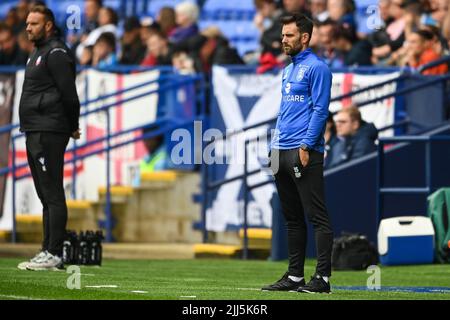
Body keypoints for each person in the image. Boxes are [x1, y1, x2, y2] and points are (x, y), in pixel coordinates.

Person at [263, 13, 333, 294]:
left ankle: (323, 279)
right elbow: (286, 111)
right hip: (280, 149)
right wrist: (274, 147)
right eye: (282, 35)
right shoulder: (288, 69)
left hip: (304, 150)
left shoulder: (318, 68)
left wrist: (306, 145)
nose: (283, 40)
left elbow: (320, 109)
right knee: (291, 217)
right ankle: (294, 276)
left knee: (316, 216)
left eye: (289, 35)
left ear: (304, 37)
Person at [17, 5, 80, 271]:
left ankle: (54, 252)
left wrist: (72, 125)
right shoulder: (37, 52)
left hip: (49, 130)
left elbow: (69, 93)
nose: (28, 27)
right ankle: (47, 250)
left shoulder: (55, 53)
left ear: (49, 25)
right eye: (28, 23)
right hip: (35, 129)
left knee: (52, 192)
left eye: (34, 23)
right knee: (45, 194)